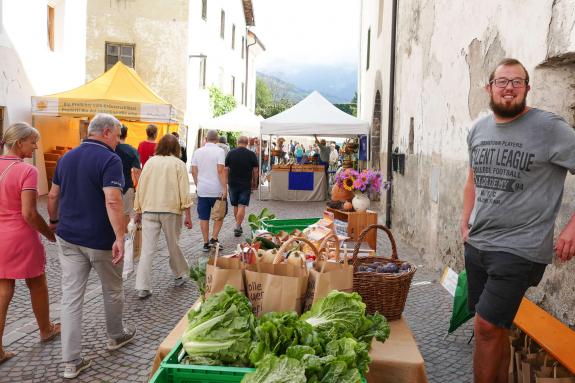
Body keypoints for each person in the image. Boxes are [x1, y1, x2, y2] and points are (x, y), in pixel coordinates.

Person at [460, 58, 575, 383]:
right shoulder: (478, 129)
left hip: (519, 249)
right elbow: (472, 179)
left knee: (485, 327)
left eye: (516, 81)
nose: (509, 88)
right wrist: (464, 221)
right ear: (489, 87)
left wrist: (572, 227)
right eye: (502, 81)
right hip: (478, 245)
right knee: (493, 331)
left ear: (527, 88)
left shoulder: (550, 127)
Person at [48, 113, 136, 379]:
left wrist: (53, 221)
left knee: (71, 297)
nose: (119, 140)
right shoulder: (110, 159)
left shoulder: (67, 157)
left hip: (69, 236)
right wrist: (120, 237)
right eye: (118, 134)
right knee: (112, 289)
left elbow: (53, 195)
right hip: (100, 240)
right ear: (107, 132)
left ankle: (71, 362)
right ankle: (115, 335)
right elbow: (113, 201)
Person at [0, 123, 60, 366]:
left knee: (3, 290)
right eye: (32, 141)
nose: (36, 146)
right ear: (19, 143)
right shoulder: (27, 170)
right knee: (37, 284)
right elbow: (29, 213)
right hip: (20, 236)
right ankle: (45, 329)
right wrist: (48, 234)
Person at [134, 134, 192, 299]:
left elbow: (141, 186)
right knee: (173, 245)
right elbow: (184, 191)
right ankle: (179, 274)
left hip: (149, 209)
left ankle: (142, 287)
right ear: (176, 149)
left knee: (147, 249)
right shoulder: (178, 164)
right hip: (170, 210)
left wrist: (138, 210)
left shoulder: (150, 162)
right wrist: (187, 214)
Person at [191, 129, 227, 252]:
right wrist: (224, 188)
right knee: (220, 215)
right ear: (217, 140)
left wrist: (198, 184)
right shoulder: (220, 151)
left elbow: (194, 171)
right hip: (217, 190)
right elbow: (220, 170)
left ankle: (205, 243)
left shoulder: (197, 152)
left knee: (203, 217)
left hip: (202, 190)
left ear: (205, 139)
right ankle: (214, 238)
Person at [225, 136, 259, 237]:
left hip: (232, 183)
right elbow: (255, 170)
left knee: (235, 205)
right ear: (247, 143)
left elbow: (226, 168)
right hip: (245, 183)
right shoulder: (251, 154)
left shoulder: (231, 153)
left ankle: (238, 226)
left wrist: (226, 181)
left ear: (237, 142)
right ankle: (238, 226)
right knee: (242, 205)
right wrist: (254, 181)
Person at [115, 125, 141, 228]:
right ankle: (124, 238)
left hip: (109, 186)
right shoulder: (132, 150)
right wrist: (140, 189)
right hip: (127, 185)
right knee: (125, 214)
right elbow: (136, 171)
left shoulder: (110, 148)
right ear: (126, 135)